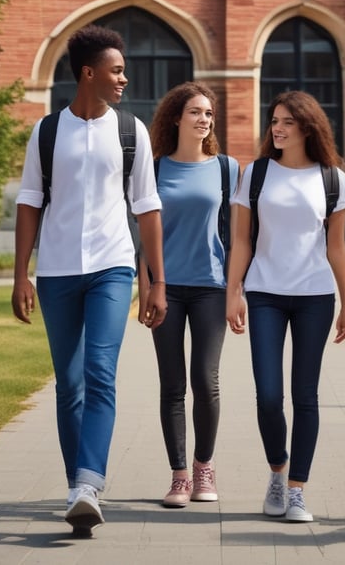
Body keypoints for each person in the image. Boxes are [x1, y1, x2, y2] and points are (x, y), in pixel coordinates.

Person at [11, 24, 165, 536]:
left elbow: (146, 207)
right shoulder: (47, 131)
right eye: (116, 70)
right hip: (56, 271)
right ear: (88, 73)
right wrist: (21, 275)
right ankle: (78, 483)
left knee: (100, 372)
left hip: (112, 267)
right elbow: (30, 201)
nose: (124, 78)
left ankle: (87, 484)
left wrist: (155, 282)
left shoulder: (131, 131)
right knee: (69, 384)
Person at [225, 91, 345, 523]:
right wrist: (234, 292)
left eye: (286, 122)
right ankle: (277, 473)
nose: (277, 129)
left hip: (315, 296)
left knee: (305, 395)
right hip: (264, 291)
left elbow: (336, 247)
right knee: (267, 395)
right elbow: (242, 239)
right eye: (274, 121)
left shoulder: (332, 179)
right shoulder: (257, 174)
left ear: (308, 127)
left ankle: (297, 489)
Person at [138, 82, 240, 508]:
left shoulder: (226, 168)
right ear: (176, 117)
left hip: (211, 286)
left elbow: (237, 237)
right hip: (165, 289)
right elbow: (142, 236)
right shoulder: (154, 168)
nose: (204, 120)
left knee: (206, 380)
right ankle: (179, 476)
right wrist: (145, 289)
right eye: (196, 112)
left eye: (209, 114)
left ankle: (204, 467)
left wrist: (237, 291)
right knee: (172, 383)